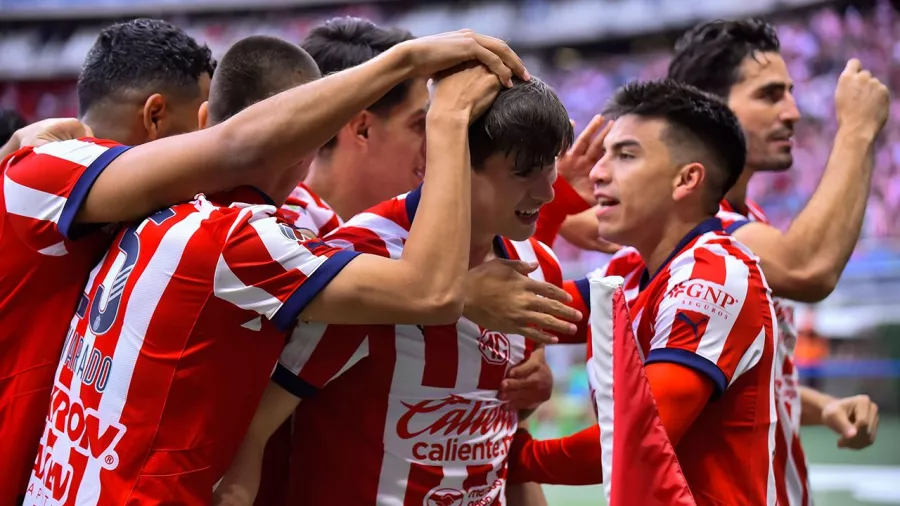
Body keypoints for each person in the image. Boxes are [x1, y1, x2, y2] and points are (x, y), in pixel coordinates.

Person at [2, 18, 528, 504]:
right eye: (418, 126)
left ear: (207, 118)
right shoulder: (240, 240)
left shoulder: (145, 207)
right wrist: (450, 121)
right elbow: (430, 293)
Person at [214, 75, 575, 506]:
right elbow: (254, 431)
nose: (548, 190)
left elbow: (501, 430)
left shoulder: (538, 265)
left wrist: (532, 387)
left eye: (550, 164)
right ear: (453, 162)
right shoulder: (364, 258)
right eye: (523, 173)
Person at [510, 80, 780, 506]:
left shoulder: (713, 274)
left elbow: (638, 436)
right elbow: (517, 306)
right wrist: (554, 201)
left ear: (686, 179)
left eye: (625, 155)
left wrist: (508, 455)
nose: (598, 172)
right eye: (604, 155)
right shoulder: (630, 271)